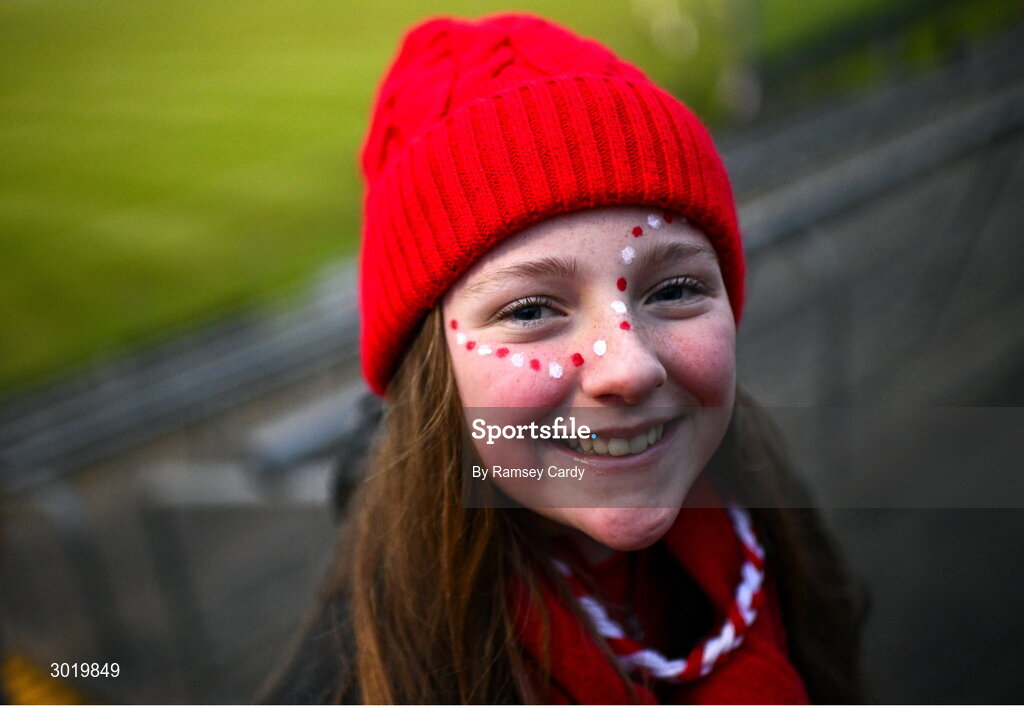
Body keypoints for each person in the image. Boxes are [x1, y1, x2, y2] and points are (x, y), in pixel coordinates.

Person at [261, 13, 865, 705]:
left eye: (674, 289)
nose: (629, 367)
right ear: (429, 374)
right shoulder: (349, 687)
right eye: (529, 310)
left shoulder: (773, 525)